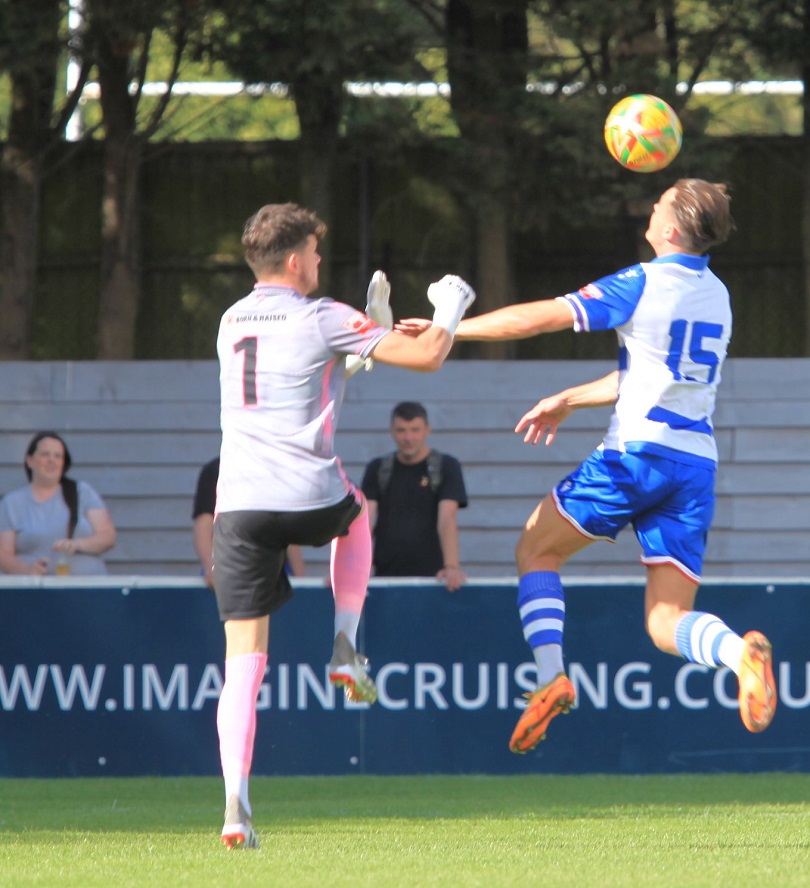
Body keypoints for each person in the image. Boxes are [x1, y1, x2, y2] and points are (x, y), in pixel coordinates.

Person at [417, 178, 776, 753]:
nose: (651, 206)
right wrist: (570, 398)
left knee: (536, 549)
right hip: (694, 467)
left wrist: (447, 329)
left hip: (636, 457)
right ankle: (738, 655)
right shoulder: (718, 295)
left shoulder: (644, 281)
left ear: (672, 229)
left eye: (659, 203)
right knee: (664, 623)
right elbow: (649, 376)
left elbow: (540, 317)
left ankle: (551, 676)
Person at [213, 202, 474, 849]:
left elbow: (299, 374)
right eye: (318, 254)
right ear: (298, 259)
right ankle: (345, 642)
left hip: (239, 504)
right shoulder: (322, 313)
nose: (321, 264)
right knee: (355, 514)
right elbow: (428, 356)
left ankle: (233, 806)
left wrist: (356, 351)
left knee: (242, 663)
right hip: (307, 490)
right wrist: (451, 306)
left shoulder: (230, 320)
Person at [361, 401, 468, 591]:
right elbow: (364, 522)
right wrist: (354, 569)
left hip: (435, 577)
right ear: (391, 431)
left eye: (415, 430)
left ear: (427, 430)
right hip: (385, 575)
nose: (408, 437)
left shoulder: (446, 466)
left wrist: (451, 567)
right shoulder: (378, 468)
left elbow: (447, 518)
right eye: (401, 430)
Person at [0, 431, 117, 576]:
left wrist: (77, 544)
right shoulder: (11, 503)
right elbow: (4, 555)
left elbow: (107, 537)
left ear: (63, 463)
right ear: (30, 461)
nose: (51, 460)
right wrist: (27, 570)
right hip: (36, 592)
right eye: (45, 454)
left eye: (58, 456)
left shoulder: (82, 492)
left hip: (88, 590)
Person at [192, 456, 305, 589]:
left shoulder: (276, 473)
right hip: (228, 573)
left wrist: (300, 580)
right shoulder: (216, 471)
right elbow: (204, 527)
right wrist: (211, 567)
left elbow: (288, 533)